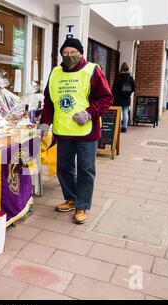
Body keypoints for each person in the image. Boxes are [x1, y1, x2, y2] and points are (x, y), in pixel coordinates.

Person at [38, 38, 113, 224]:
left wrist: (88, 114)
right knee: (64, 168)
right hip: (63, 131)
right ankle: (71, 199)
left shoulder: (92, 70)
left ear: (81, 53)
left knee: (86, 169)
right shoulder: (55, 72)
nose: (69, 56)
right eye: (65, 53)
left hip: (86, 132)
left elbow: (106, 98)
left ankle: (82, 206)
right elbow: (49, 100)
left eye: (73, 52)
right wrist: (45, 122)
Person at [112, 62, 135, 132]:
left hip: (118, 98)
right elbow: (133, 88)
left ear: (121, 69)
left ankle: (117, 126)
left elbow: (113, 89)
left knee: (117, 112)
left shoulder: (118, 78)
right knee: (125, 111)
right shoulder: (131, 78)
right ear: (127, 69)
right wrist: (128, 93)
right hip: (126, 98)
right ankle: (124, 127)